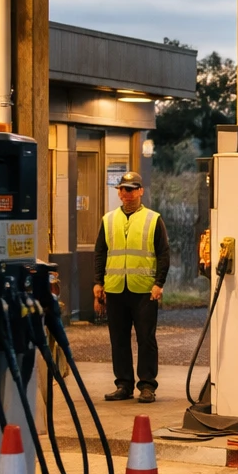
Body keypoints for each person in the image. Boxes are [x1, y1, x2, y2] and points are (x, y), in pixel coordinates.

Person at [93, 171, 169, 403]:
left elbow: (163, 253)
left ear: (140, 191)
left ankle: (147, 385)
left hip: (144, 290)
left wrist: (159, 283)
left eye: (131, 189)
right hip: (116, 288)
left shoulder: (153, 219)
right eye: (123, 189)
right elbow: (100, 252)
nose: (127, 193)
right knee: (118, 339)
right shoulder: (108, 220)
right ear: (119, 192)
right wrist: (98, 282)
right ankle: (123, 384)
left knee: (146, 338)